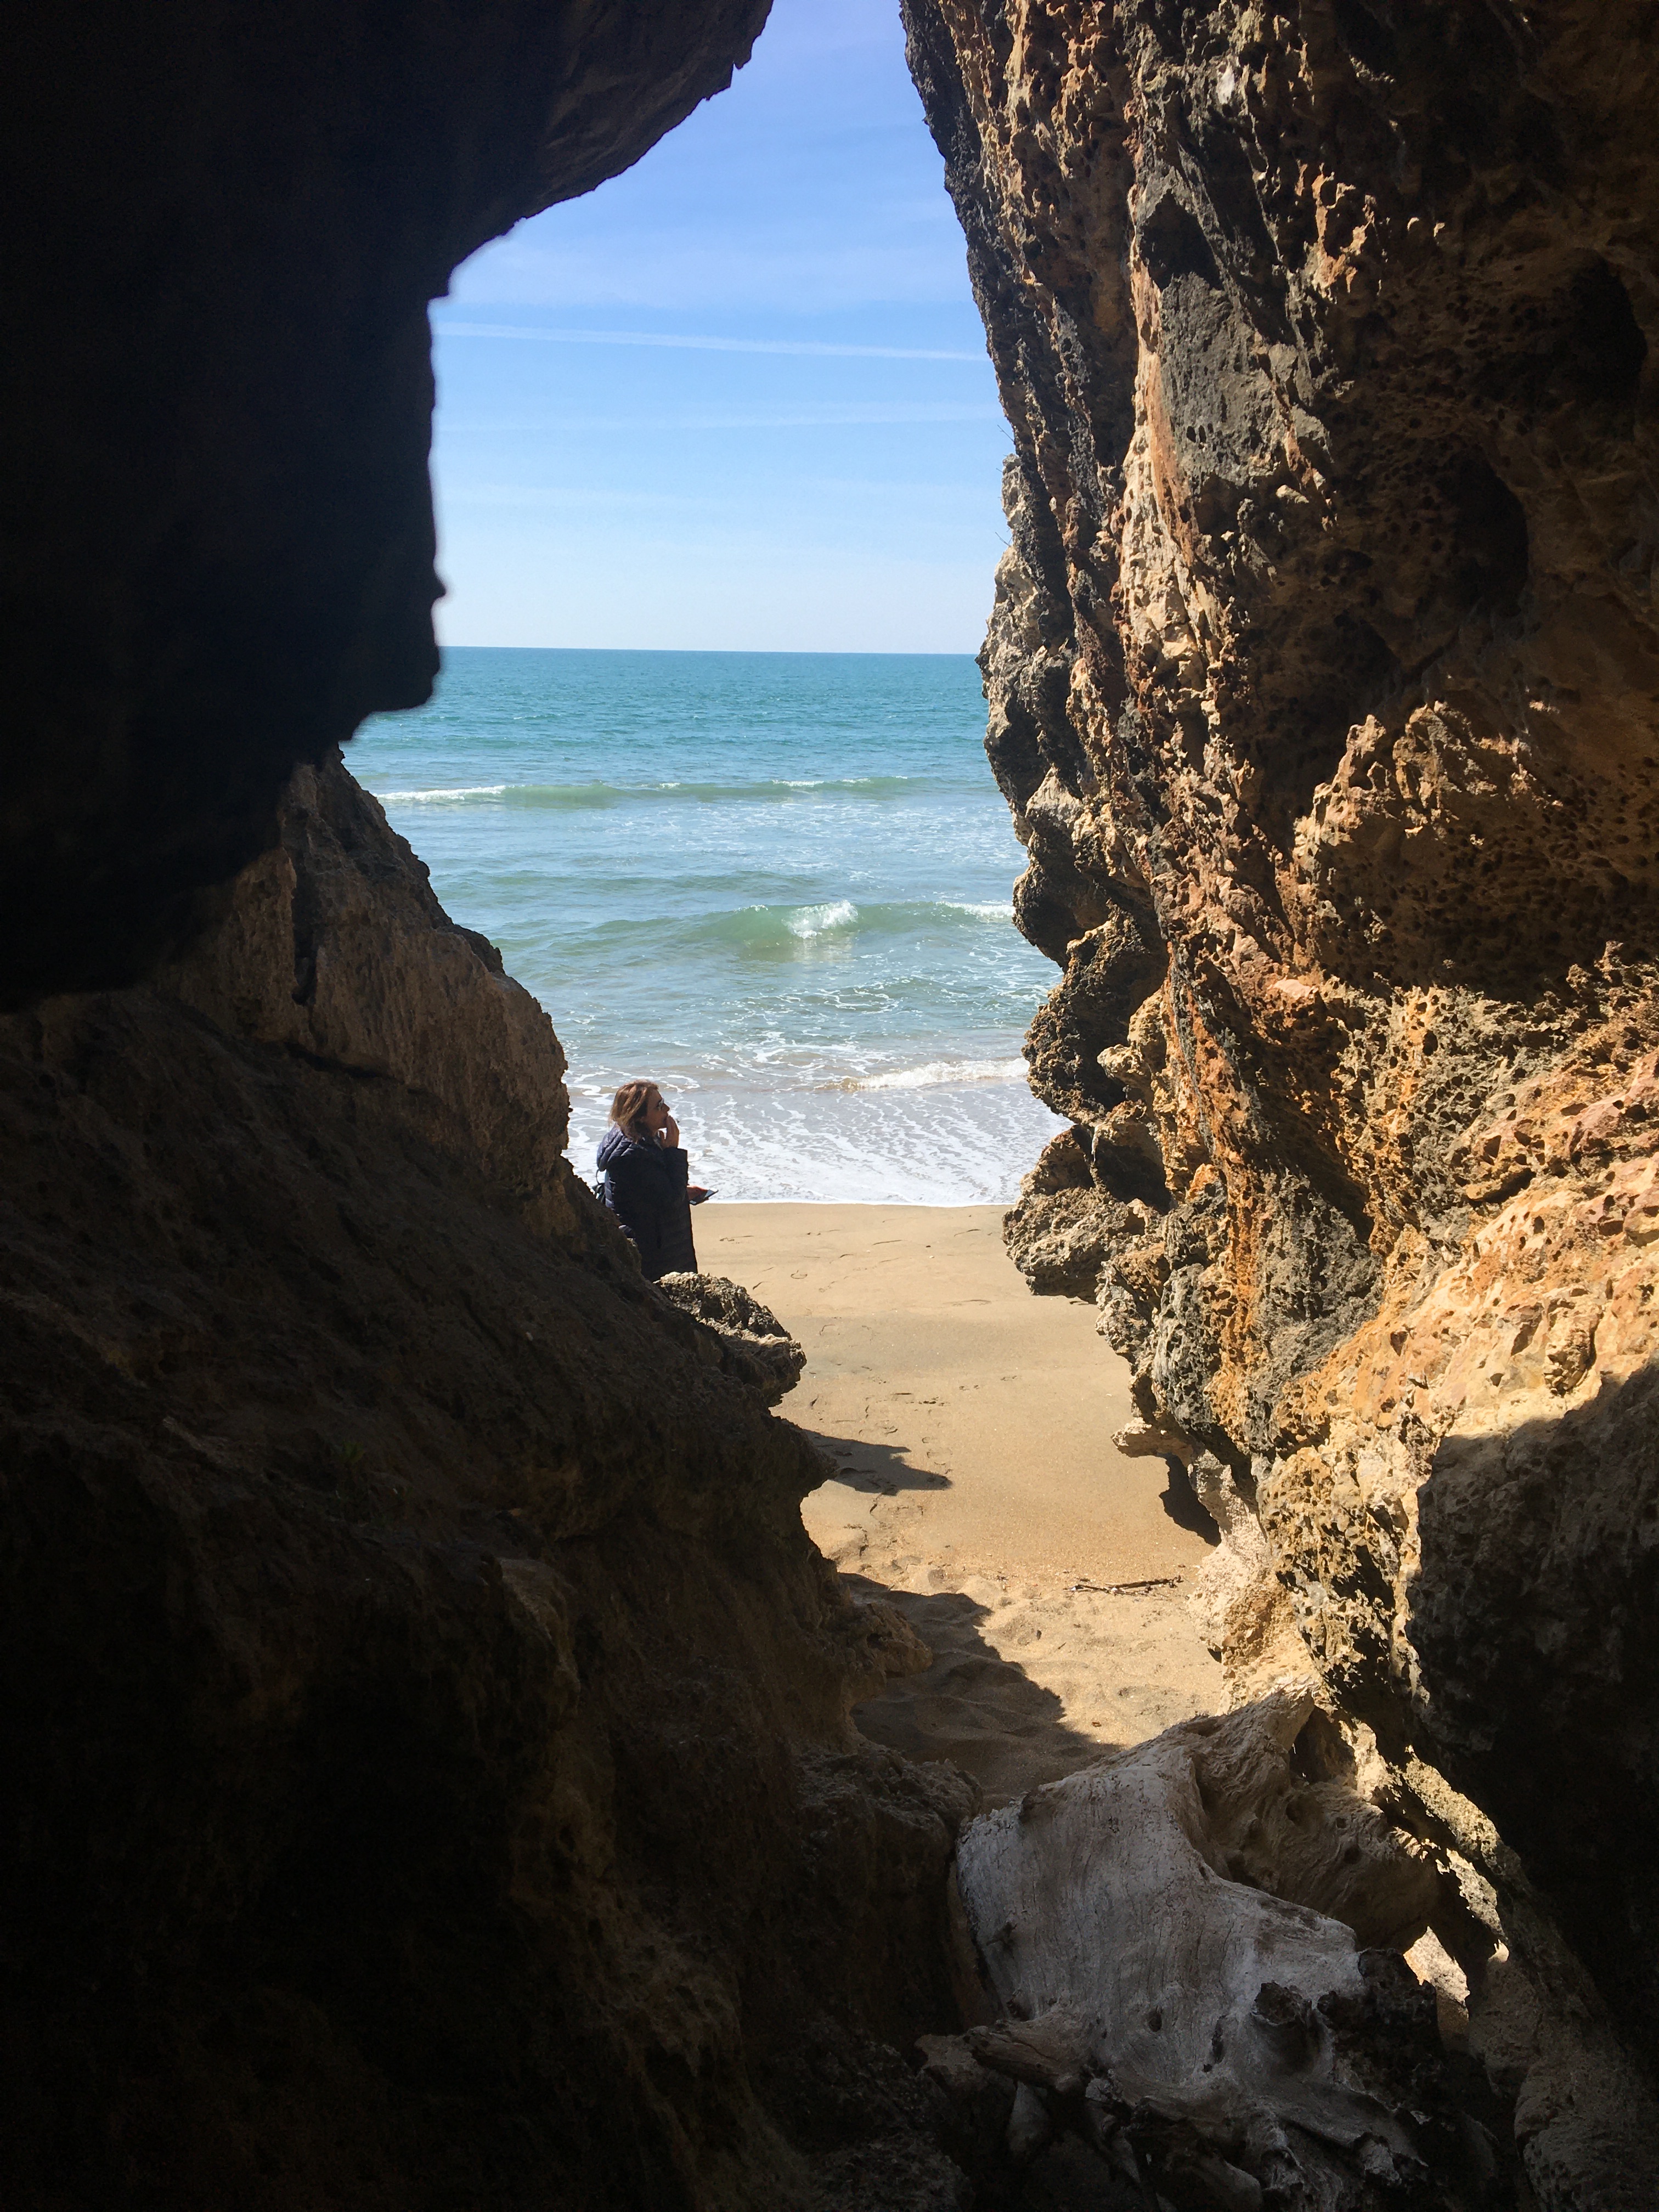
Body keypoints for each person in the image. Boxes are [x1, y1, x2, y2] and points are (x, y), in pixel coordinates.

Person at [596, 1080, 703, 1280]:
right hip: (653, 1251)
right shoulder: (634, 1154)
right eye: (659, 1106)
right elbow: (670, 1201)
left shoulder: (637, 1140)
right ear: (640, 1116)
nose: (667, 1109)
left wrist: (685, 1191)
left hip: (657, 1240)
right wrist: (673, 1152)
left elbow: (650, 1192)